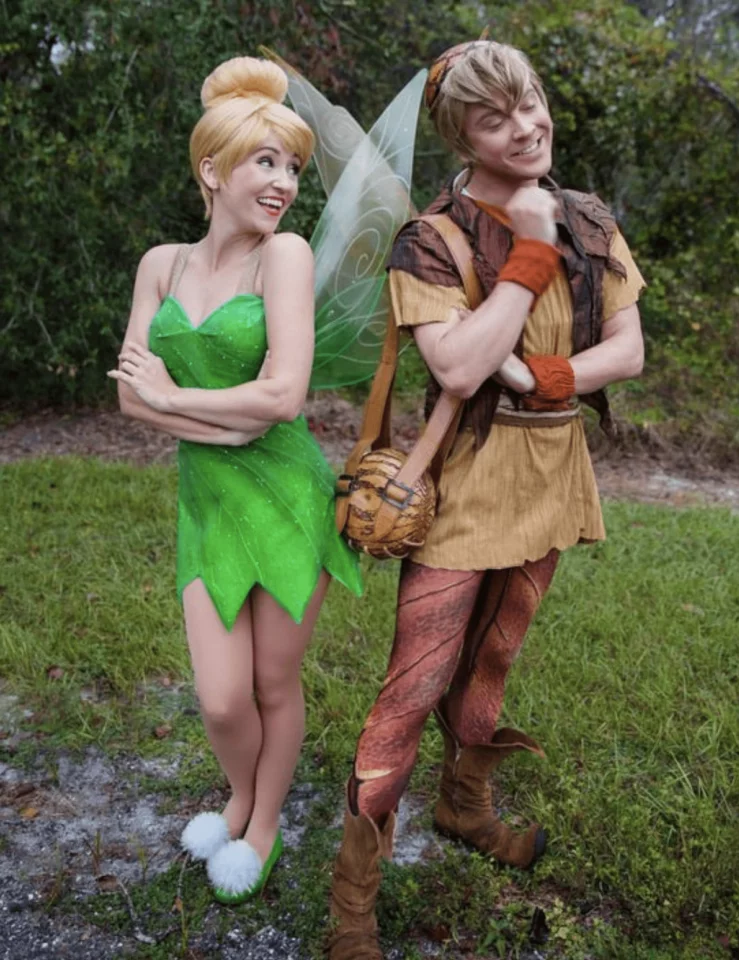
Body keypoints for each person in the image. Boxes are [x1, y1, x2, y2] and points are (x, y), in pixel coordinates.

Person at [328, 39, 645, 958]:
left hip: (550, 472)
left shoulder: (591, 218)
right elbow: (462, 367)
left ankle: (465, 806)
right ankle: (352, 908)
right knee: (413, 686)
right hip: (465, 484)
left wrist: (541, 376)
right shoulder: (431, 239)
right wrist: (533, 250)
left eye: (530, 102)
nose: (526, 127)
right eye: (494, 118)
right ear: (461, 137)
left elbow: (627, 351)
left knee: (495, 659)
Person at [108, 56, 362, 904]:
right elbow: (129, 396)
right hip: (209, 501)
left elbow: (283, 399)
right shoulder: (161, 265)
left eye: (293, 167)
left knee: (272, 683)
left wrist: (174, 398)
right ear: (213, 170)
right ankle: (242, 794)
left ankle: (260, 822)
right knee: (221, 700)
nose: (285, 183)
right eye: (266, 161)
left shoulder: (282, 255)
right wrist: (221, 419)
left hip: (286, 499)